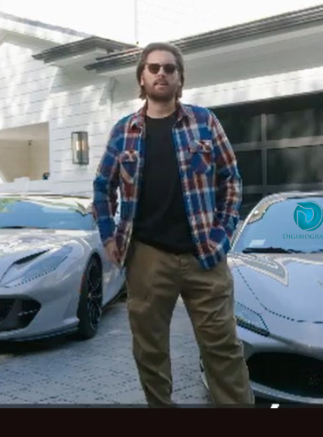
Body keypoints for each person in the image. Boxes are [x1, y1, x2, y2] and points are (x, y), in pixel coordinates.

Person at [92, 42, 254, 407]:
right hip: (147, 257)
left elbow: (232, 180)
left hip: (204, 255)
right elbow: (103, 187)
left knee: (223, 348)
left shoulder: (205, 122)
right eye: (153, 68)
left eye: (169, 68)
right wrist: (108, 236)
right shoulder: (124, 131)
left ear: (180, 79)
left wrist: (222, 236)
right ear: (142, 78)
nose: (161, 73)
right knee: (149, 353)